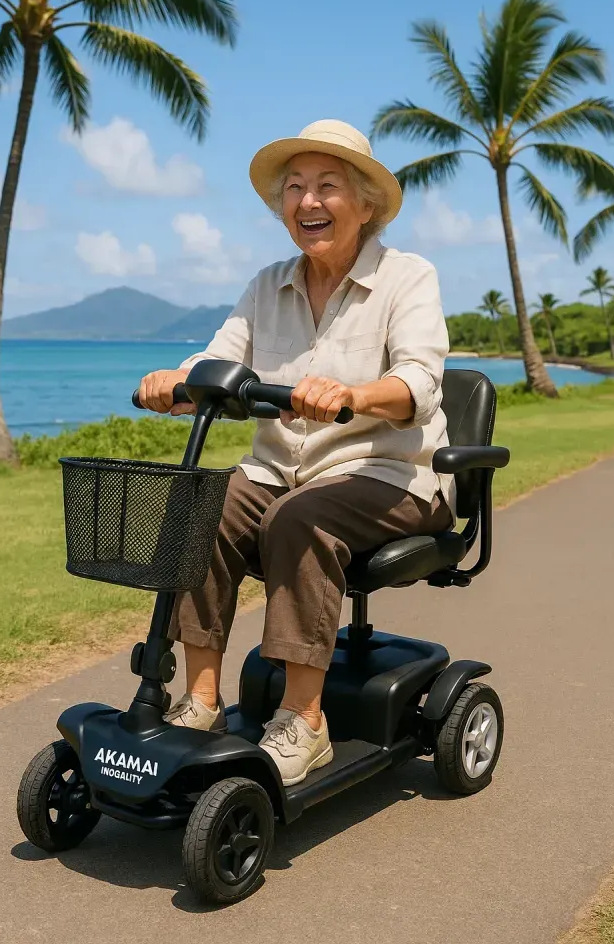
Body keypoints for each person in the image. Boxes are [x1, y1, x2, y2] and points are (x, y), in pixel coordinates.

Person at [135, 119, 455, 786]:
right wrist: (176, 381)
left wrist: (355, 395)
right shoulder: (267, 285)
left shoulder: (407, 277)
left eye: (328, 186)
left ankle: (304, 721)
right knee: (202, 505)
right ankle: (201, 701)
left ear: (365, 203)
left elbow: (420, 381)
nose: (309, 201)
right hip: (284, 472)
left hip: (392, 475)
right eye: (295, 188)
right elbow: (219, 360)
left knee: (298, 518)